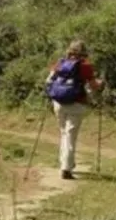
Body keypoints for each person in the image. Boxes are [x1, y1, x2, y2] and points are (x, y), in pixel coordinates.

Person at [43, 40, 103, 180]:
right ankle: (66, 168)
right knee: (70, 135)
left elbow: (48, 81)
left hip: (59, 103)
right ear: (84, 52)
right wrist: (100, 84)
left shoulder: (60, 63)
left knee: (64, 133)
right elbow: (93, 86)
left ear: (69, 50)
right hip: (77, 103)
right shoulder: (85, 66)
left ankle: (66, 163)